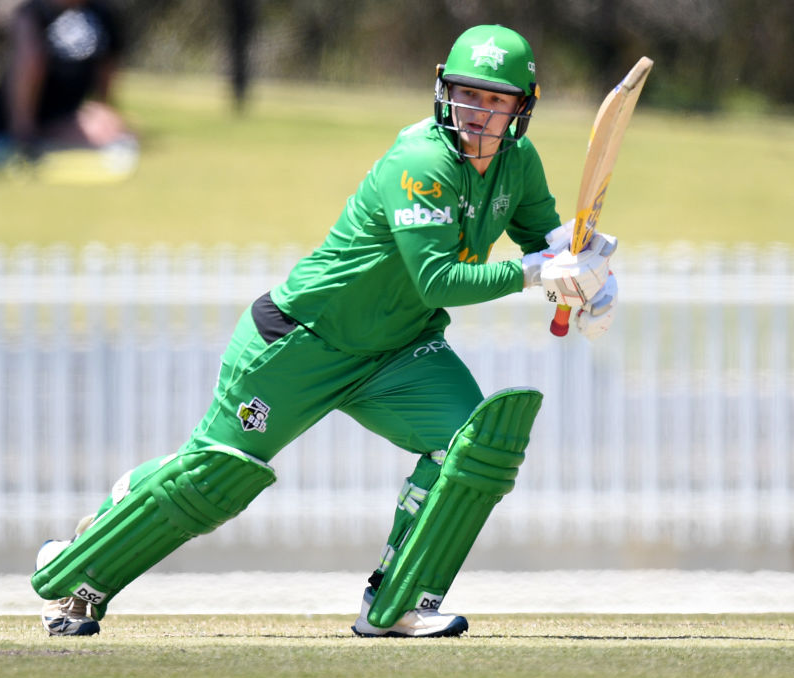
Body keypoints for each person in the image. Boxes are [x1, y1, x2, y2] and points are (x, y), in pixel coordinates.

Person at [31, 24, 619, 638]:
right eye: (468, 95)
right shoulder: (421, 160)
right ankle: (77, 569)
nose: (478, 113)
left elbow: (549, 241)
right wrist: (538, 274)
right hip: (301, 340)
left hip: (398, 351)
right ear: (444, 90)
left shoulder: (518, 163)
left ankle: (399, 603)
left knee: (474, 449)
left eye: (496, 101)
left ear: (521, 109)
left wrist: (589, 281)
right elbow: (440, 281)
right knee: (215, 481)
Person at [0, 0, 130, 155]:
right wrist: (22, 127)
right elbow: (29, 61)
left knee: (115, 133)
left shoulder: (101, 14)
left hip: (66, 113)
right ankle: (23, 131)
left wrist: (104, 110)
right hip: (22, 111)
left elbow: (107, 67)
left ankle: (40, 133)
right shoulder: (34, 11)